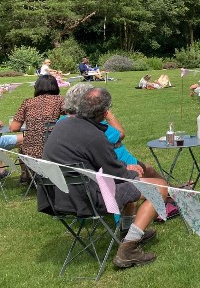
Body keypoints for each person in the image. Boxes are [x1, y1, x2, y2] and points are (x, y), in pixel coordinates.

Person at [42, 87, 168, 268]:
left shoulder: (61, 125)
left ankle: (126, 230)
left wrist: (126, 168)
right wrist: (133, 172)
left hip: (59, 196)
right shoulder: (95, 136)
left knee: (129, 185)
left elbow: (98, 164)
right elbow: (116, 175)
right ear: (104, 112)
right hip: (87, 199)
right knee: (159, 187)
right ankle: (129, 248)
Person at [62, 83, 159, 178]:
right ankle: (171, 191)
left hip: (83, 173)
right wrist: (106, 111)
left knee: (149, 170)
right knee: (151, 172)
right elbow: (120, 134)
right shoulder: (95, 127)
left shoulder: (61, 122)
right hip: (118, 166)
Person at [11, 74, 65, 161]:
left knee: (22, 146)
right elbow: (74, 115)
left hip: (29, 152)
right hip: (51, 149)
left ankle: (25, 174)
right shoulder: (60, 100)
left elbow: (14, 127)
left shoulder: (28, 102)